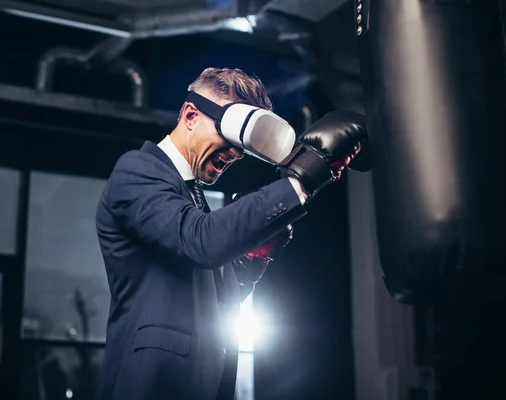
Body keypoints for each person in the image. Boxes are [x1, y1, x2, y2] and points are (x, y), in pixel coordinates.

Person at [95, 67, 367, 400]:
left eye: (244, 146)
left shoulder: (191, 199)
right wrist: (301, 180)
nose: (236, 153)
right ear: (191, 115)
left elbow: (219, 301)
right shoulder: (137, 170)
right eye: (231, 135)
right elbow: (201, 241)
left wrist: (250, 262)